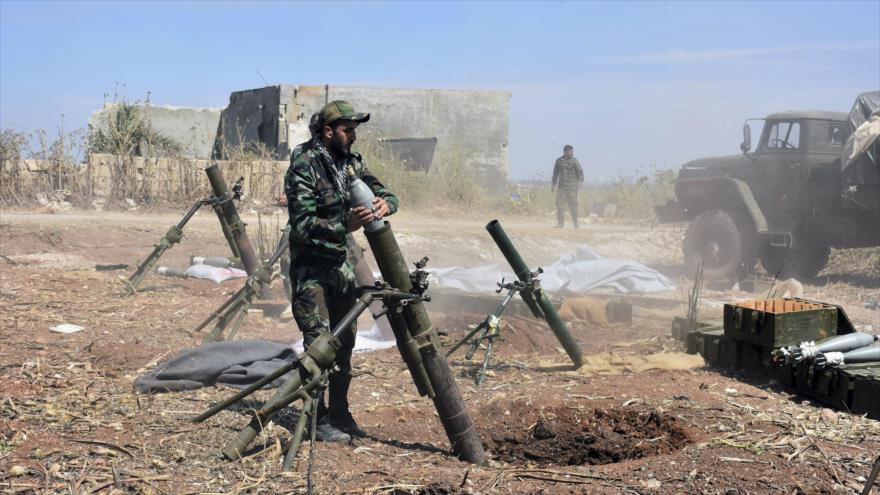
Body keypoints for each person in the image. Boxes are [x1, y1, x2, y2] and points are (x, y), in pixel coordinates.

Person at [284, 100, 399, 442]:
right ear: (328, 131)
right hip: (312, 273)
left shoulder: (351, 163)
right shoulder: (303, 166)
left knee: (345, 346)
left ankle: (341, 413)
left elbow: (386, 192)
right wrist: (344, 224)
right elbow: (302, 225)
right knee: (320, 347)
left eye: (354, 130)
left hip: (342, 270)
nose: (353, 136)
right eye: (348, 130)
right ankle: (318, 421)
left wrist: (385, 203)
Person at [550, 144, 584, 228]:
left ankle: (576, 223)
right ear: (565, 152)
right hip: (561, 188)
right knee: (560, 206)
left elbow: (580, 172)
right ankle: (560, 223)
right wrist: (553, 185)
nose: (572, 153)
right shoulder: (559, 161)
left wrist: (580, 183)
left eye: (572, 151)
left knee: (573, 206)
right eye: (570, 152)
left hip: (572, 188)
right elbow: (555, 174)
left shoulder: (575, 161)